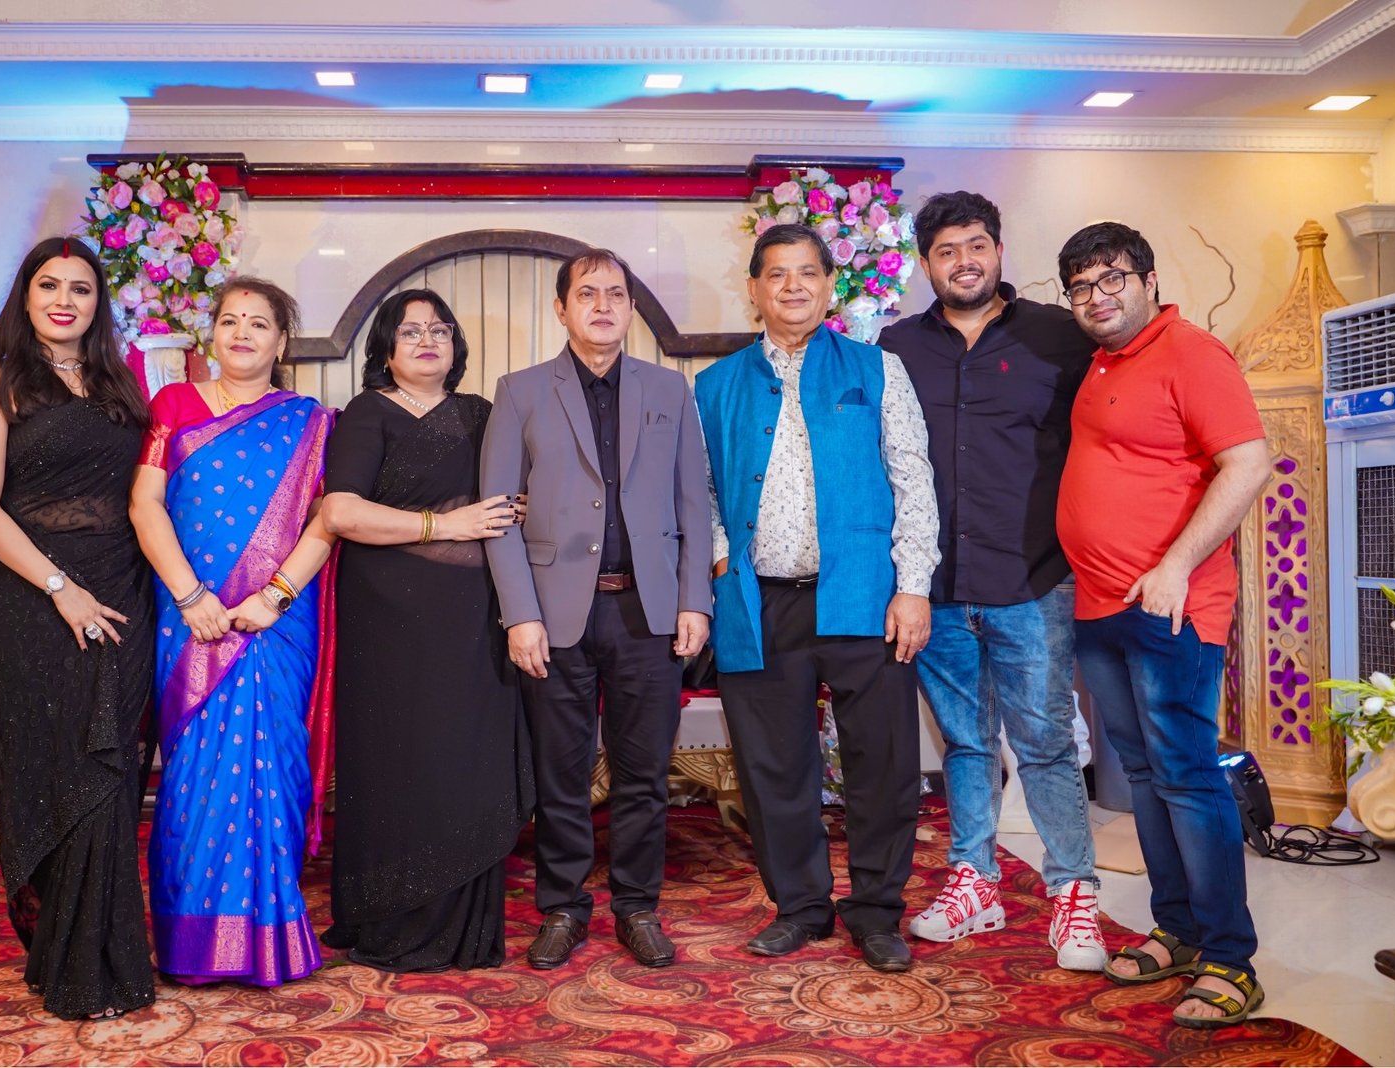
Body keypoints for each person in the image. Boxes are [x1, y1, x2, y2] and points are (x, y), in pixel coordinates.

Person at [696, 223, 938, 972]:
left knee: (882, 762)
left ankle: (877, 911)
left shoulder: (878, 369)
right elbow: (698, 490)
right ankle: (800, 906)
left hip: (864, 596)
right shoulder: (715, 384)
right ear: (754, 289)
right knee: (774, 768)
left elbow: (913, 480)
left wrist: (913, 586)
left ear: (830, 285)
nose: (793, 286)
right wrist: (719, 555)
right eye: (776, 274)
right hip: (758, 601)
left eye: (807, 272)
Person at [878, 191, 1105, 970]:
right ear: (925, 264)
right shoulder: (898, 346)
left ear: (999, 251)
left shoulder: (1059, 335)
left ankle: (1073, 893)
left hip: (1033, 578)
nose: (963, 261)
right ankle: (973, 881)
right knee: (967, 744)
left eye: (976, 245)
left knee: (1045, 745)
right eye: (946, 251)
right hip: (936, 587)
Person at [1056, 221, 1270, 1028]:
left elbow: (1248, 462)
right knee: (1145, 775)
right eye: (1081, 287)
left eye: (1111, 278)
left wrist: (1175, 565)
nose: (1096, 297)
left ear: (1148, 280)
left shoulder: (1192, 353)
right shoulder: (1104, 362)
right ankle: (1178, 930)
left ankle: (1230, 960)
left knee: (1185, 773)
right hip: (1100, 604)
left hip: (1170, 606)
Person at [481, 250, 712, 971]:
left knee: (645, 774)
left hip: (649, 610)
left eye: (616, 293)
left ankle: (637, 907)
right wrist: (520, 614)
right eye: (588, 293)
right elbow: (499, 514)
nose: (603, 305)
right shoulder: (520, 391)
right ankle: (562, 907)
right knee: (562, 773)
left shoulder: (669, 389)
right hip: (555, 613)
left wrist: (695, 601)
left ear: (630, 308)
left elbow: (693, 503)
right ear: (562, 309)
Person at [0, 236, 154, 1020]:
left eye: (80, 287)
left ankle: (103, 958)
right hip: (33, 600)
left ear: (98, 303)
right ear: (25, 295)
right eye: (49, 285)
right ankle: (73, 963)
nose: (64, 300)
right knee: (62, 766)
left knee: (114, 771)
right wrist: (61, 588)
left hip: (124, 593)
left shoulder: (118, 383)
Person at [129, 277, 335, 986]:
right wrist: (191, 596)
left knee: (271, 770)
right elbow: (145, 504)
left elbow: (325, 522)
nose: (242, 332)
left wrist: (274, 598)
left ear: (282, 341)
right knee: (192, 778)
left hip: (276, 624)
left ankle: (269, 937)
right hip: (188, 619)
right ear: (211, 334)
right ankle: (194, 943)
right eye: (229, 320)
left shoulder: (311, 422)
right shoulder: (173, 405)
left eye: (259, 323)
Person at [321, 288, 533, 972]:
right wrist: (447, 523)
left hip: (471, 621)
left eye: (439, 330)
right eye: (410, 331)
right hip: (386, 621)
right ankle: (391, 917)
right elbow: (341, 513)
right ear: (386, 347)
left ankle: (463, 927)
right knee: (396, 762)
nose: (426, 341)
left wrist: (520, 506)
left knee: (462, 761)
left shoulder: (481, 414)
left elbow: (514, 495)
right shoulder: (367, 413)